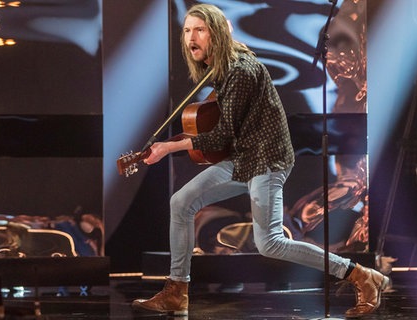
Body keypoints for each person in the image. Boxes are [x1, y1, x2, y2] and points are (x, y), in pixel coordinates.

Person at [131, 3, 388, 318]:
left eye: (199, 30)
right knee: (181, 202)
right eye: (187, 30)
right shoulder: (222, 69)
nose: (191, 38)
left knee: (271, 243)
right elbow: (230, 134)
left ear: (218, 32)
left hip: (266, 161)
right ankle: (176, 291)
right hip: (243, 158)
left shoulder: (240, 70)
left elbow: (220, 136)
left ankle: (362, 276)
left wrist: (167, 148)